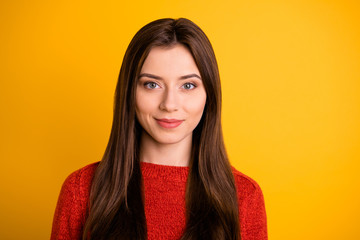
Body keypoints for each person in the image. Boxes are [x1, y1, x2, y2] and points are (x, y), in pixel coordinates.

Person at [51, 18, 267, 240]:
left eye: (188, 85)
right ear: (130, 92)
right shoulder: (80, 190)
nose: (169, 104)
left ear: (209, 94)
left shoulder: (244, 196)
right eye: (152, 84)